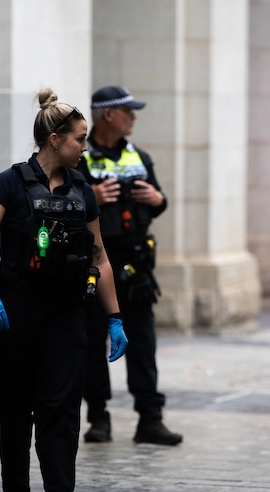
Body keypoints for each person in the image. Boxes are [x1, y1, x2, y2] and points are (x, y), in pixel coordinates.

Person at [0, 88, 128, 492]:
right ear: (56, 139)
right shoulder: (9, 183)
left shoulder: (83, 191)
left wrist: (114, 317)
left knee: (60, 413)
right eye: (80, 139)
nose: (85, 146)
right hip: (14, 312)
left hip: (64, 315)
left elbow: (99, 257)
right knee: (16, 411)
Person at [80, 85, 182, 446]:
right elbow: (57, 200)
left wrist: (159, 199)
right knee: (93, 344)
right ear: (109, 114)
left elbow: (157, 200)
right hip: (95, 266)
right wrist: (89, 196)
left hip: (136, 269)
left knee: (143, 343)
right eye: (128, 111)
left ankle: (150, 420)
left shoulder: (139, 156)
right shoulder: (81, 157)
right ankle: (98, 419)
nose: (134, 117)